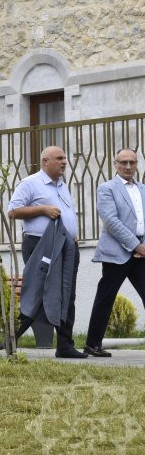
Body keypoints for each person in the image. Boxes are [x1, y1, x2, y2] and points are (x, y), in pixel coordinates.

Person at [8, 145, 86, 359]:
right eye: (59, 158)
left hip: (66, 247)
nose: (64, 161)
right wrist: (42, 209)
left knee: (67, 294)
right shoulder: (30, 183)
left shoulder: (62, 185)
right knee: (38, 293)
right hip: (41, 245)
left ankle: (65, 345)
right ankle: (8, 338)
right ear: (45, 162)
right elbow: (12, 211)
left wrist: (72, 236)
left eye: (64, 158)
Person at [85, 149, 145, 357]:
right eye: (123, 162)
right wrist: (135, 245)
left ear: (137, 164)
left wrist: (142, 246)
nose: (128, 166)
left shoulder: (143, 189)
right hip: (117, 253)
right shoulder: (106, 189)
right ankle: (92, 344)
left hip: (142, 253)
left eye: (132, 162)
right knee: (106, 298)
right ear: (115, 163)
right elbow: (111, 221)